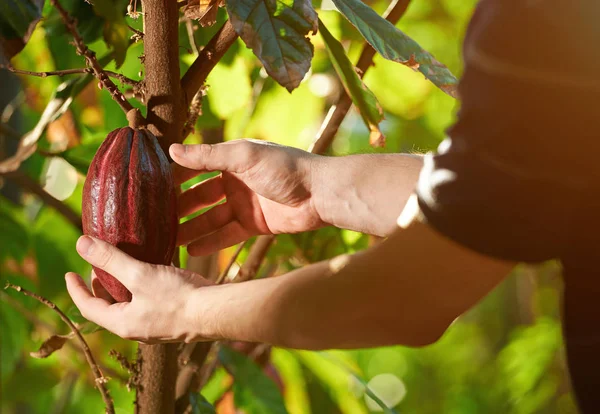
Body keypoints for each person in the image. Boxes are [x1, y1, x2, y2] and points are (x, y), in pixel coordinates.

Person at [66, 1, 600, 412]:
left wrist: (189, 311)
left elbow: (419, 291)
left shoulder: (543, 20)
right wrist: (316, 185)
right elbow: (504, 199)